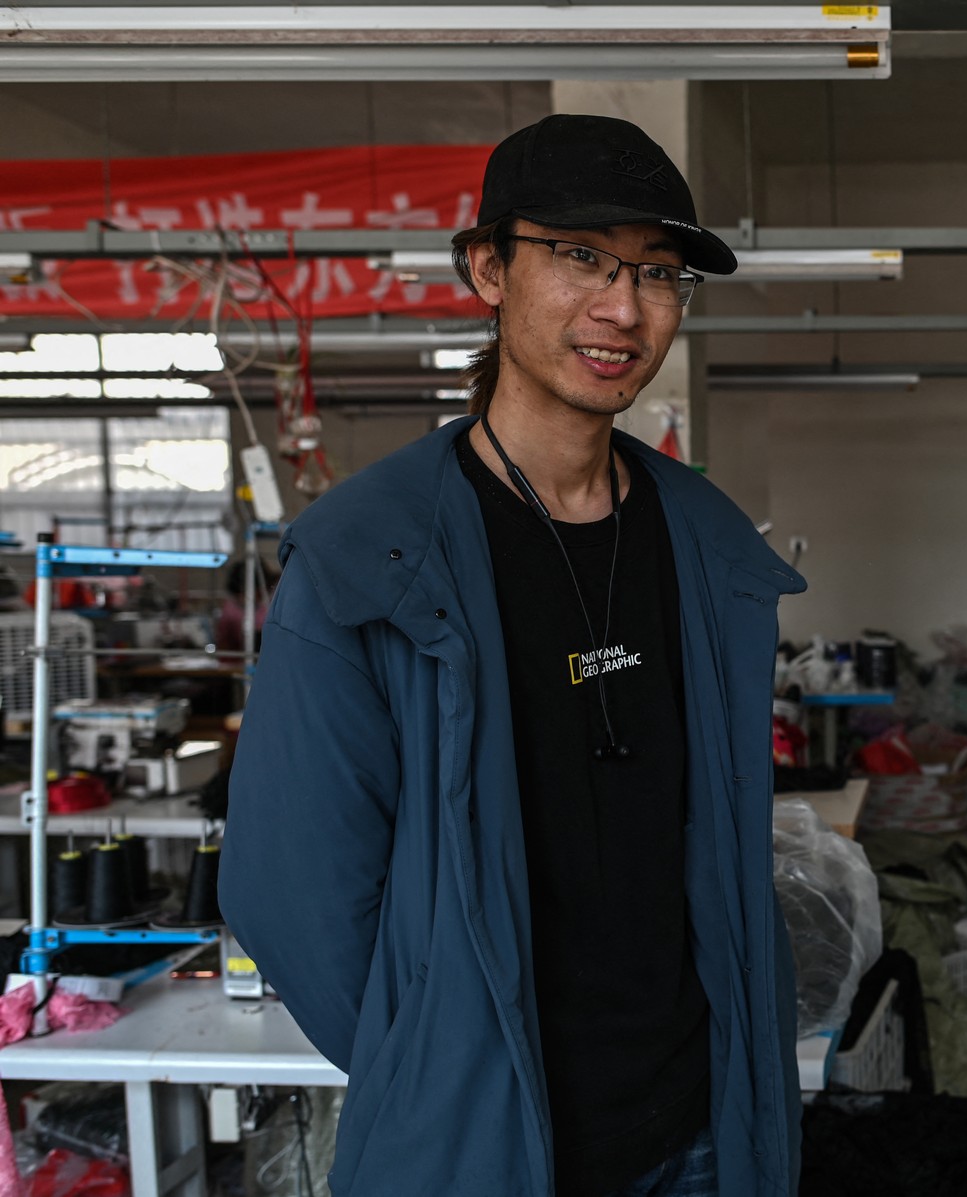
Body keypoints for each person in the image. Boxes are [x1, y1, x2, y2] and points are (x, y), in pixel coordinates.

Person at [219, 115, 806, 1197]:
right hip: (485, 1147)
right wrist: (436, 1061)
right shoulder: (369, 560)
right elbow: (288, 888)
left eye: (658, 273)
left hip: (701, 1128)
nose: (623, 309)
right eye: (582, 256)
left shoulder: (708, 548)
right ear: (488, 269)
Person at [212, 557, 276, 654]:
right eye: (238, 595)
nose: (242, 599)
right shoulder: (230, 611)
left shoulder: (270, 603)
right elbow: (223, 645)